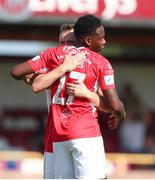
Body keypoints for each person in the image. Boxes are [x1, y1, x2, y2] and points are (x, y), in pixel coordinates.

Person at [30, 14, 125, 179]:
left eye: (70, 43)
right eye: (62, 43)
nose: (67, 48)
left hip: (68, 135)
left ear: (80, 41)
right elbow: (34, 81)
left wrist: (87, 94)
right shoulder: (56, 65)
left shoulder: (88, 67)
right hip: (62, 136)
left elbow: (107, 105)